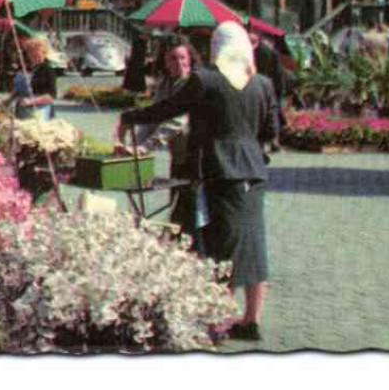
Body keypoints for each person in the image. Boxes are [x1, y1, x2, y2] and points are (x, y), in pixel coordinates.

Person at [117, 21, 278, 342]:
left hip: (220, 170)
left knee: (222, 246)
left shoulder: (205, 80)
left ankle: (218, 320)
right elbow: (271, 132)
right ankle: (251, 319)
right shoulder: (263, 83)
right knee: (254, 246)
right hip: (254, 173)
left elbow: (168, 108)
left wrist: (129, 118)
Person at [128, 34, 199, 248]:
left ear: (190, 59)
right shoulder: (165, 84)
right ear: (166, 63)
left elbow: (176, 121)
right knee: (177, 198)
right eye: (173, 59)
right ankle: (177, 243)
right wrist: (135, 146)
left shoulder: (192, 83)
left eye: (182, 58)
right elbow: (154, 117)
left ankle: (189, 247)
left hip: (195, 151)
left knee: (188, 203)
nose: (179, 63)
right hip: (177, 153)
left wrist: (147, 146)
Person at [10, 36, 57, 121]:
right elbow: (17, 91)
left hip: (39, 111)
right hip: (21, 110)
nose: (34, 55)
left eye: (37, 52)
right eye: (31, 52)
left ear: (44, 53)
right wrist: (7, 101)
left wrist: (31, 101)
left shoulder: (48, 70)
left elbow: (51, 96)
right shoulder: (24, 68)